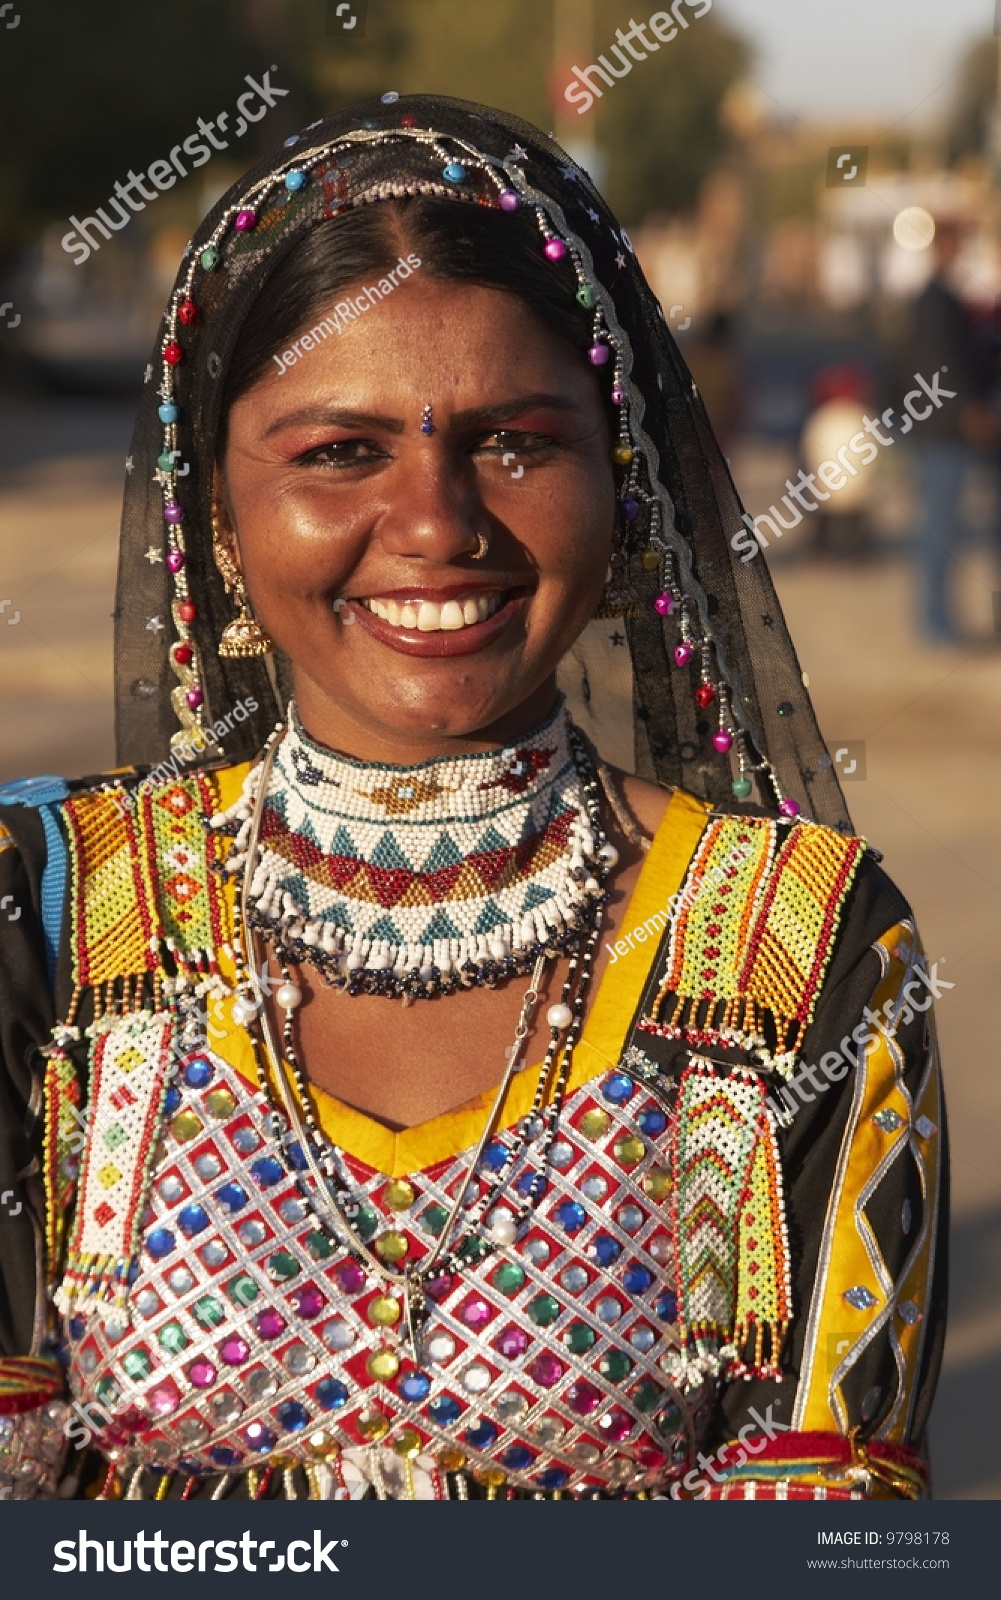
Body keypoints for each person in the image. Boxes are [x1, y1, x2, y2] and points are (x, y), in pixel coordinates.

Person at [0, 95, 946, 1502]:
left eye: (514, 443)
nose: (438, 522)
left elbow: (828, 1532)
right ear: (218, 515)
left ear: (622, 496)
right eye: (338, 452)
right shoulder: (53, 916)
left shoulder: (800, 948)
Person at [907, 218, 996, 641]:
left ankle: (938, 622)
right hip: (943, 431)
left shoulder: (944, 298)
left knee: (944, 528)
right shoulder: (935, 300)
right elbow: (942, 365)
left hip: (943, 428)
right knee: (940, 529)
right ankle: (935, 624)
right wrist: (969, 411)